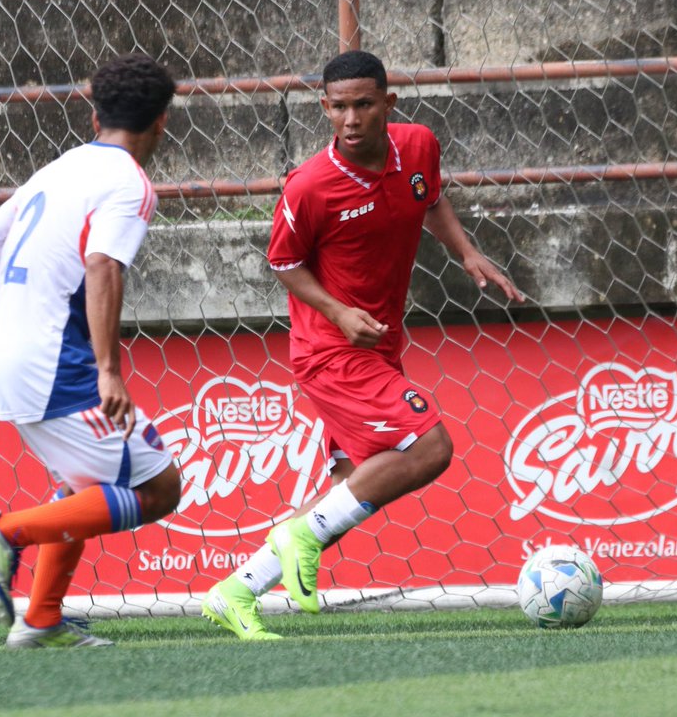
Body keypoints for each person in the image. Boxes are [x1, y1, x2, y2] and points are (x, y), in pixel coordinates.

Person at [202, 50, 524, 640]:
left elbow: (430, 197)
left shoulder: (419, 145)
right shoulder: (310, 186)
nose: (350, 118)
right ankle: (293, 540)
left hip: (380, 345)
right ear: (325, 109)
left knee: (353, 488)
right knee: (430, 448)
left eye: (363, 105)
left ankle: (235, 591)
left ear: (388, 105)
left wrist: (466, 251)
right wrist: (337, 311)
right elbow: (283, 262)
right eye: (338, 107)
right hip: (330, 349)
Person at [0, 53, 181, 648]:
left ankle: (40, 619)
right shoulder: (129, 183)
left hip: (8, 354)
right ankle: (3, 533)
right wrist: (109, 370)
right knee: (160, 489)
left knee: (86, 485)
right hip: (54, 362)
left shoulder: (58, 169)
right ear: (162, 120)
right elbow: (103, 264)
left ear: (93, 115)